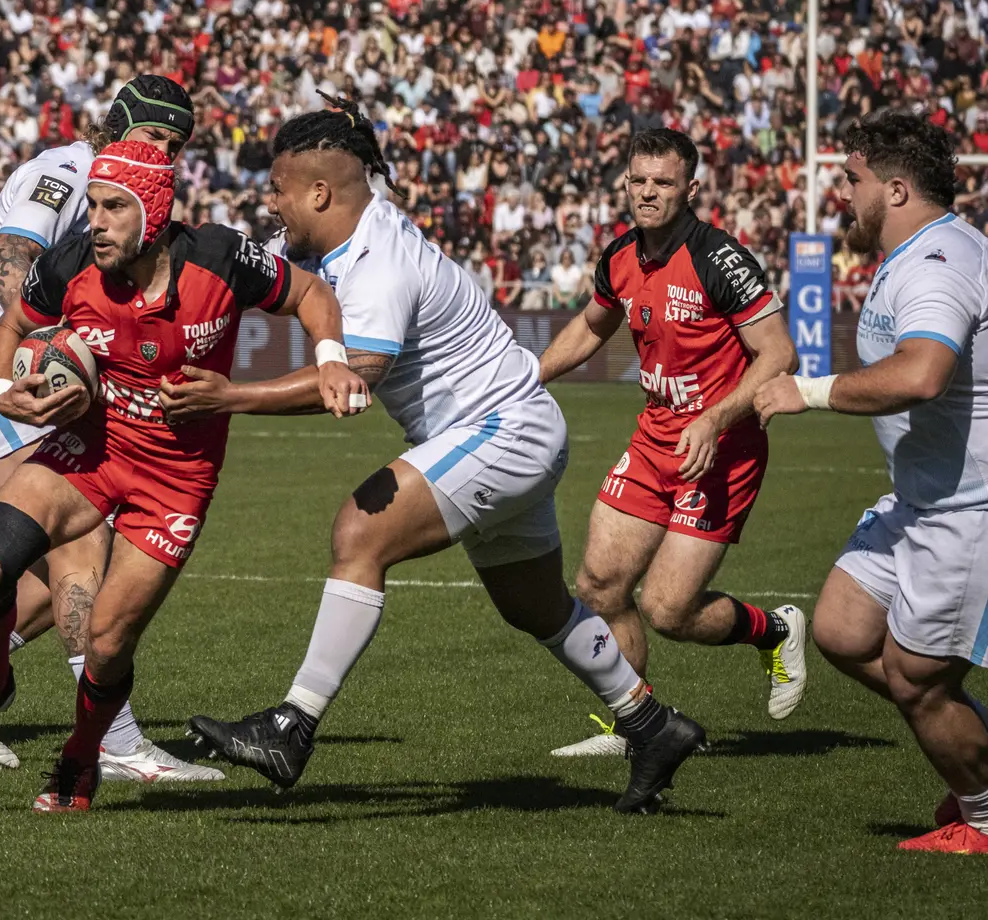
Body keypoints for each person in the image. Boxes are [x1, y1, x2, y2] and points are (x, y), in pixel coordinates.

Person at [176, 110, 707, 815]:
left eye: (279, 190)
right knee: (535, 606)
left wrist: (229, 397)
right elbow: (265, 274)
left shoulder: (378, 261)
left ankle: (291, 726)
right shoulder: (349, 235)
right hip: (513, 430)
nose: (271, 203)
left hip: (502, 431)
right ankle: (653, 725)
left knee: (359, 530)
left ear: (320, 193)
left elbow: (355, 376)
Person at [0, 139, 355, 811]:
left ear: (155, 211)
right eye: (91, 205)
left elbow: (311, 291)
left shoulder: (220, 256)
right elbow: (11, 327)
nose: (96, 221)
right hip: (91, 451)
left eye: (114, 206)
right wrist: (3, 390)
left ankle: (81, 759)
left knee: (107, 644)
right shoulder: (70, 263)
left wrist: (333, 355)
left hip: (175, 480)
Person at [0, 76, 223, 780]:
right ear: (118, 126)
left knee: (67, 532)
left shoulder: (128, 193)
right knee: (79, 533)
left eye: (175, 145)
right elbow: (9, 261)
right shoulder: (70, 170)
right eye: (153, 136)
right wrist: (57, 350)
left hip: (20, 369)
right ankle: (114, 743)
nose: (164, 152)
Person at [756, 111, 988, 854]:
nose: (843, 195)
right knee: (842, 630)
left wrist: (810, 392)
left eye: (852, 179)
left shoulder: (936, 264)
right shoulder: (914, 252)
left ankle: (982, 817)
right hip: (920, 500)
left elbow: (922, 373)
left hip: (967, 510)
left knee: (916, 679)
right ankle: (970, 745)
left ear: (894, 190)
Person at [538, 127, 804, 758]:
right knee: (599, 586)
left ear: (690, 188)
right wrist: (529, 375)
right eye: (639, 180)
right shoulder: (620, 256)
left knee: (668, 610)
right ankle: (638, 728)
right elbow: (591, 327)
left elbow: (779, 354)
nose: (648, 192)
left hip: (722, 449)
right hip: (655, 440)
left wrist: (714, 419)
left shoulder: (720, 258)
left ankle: (773, 631)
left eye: (663, 182)